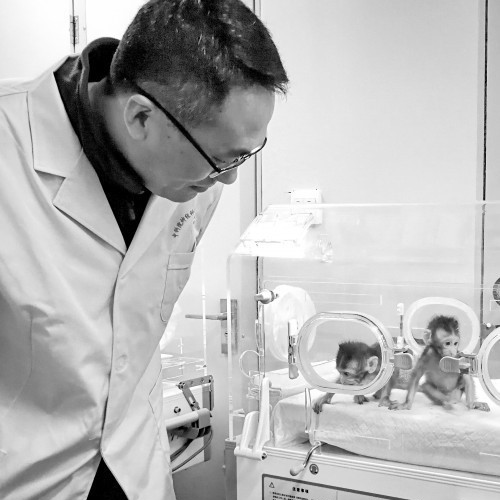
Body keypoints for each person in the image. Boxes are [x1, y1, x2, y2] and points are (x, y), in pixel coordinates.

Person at [0, 0, 288, 498]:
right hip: (27, 476)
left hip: (134, 470)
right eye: (221, 160)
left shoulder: (196, 179)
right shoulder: (9, 151)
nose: (229, 180)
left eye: (244, 156)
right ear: (140, 117)